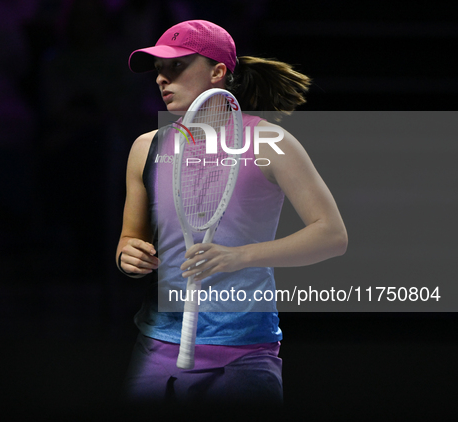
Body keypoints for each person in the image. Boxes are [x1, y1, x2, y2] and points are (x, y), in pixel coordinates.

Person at [116, 20, 347, 404]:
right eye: (158, 68)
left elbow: (331, 235)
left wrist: (240, 256)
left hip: (244, 355)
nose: (161, 78)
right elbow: (129, 239)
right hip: (155, 348)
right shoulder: (146, 147)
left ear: (218, 72)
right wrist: (129, 256)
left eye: (176, 66)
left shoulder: (271, 143)